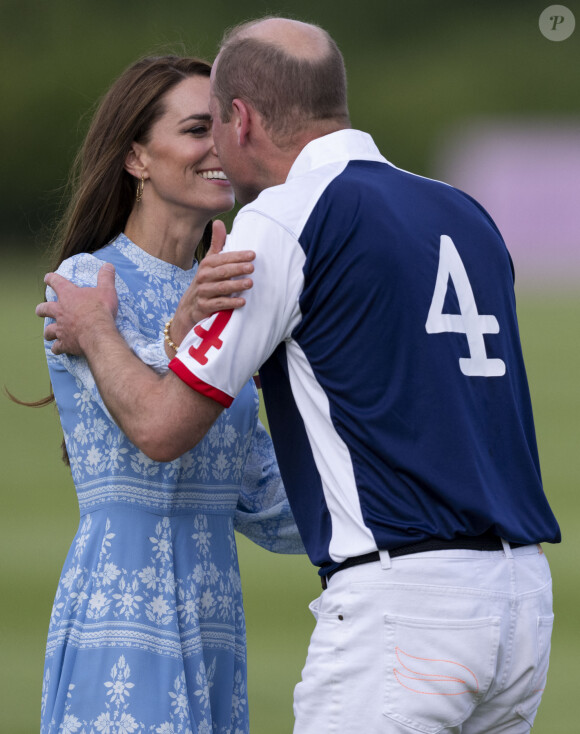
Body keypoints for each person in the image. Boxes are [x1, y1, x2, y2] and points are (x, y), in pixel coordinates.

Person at [38, 18, 561, 734]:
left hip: (402, 610)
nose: (216, 148)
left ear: (243, 119)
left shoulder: (283, 222)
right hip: (519, 602)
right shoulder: (462, 211)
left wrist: (103, 332)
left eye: (214, 123)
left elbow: (167, 429)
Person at [33, 53, 304, 734]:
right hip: (124, 615)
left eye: (224, 128)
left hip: (214, 617)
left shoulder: (229, 291)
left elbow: (259, 490)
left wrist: (411, 515)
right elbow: (148, 426)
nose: (219, 148)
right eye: (194, 130)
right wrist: (179, 330)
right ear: (137, 159)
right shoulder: (86, 281)